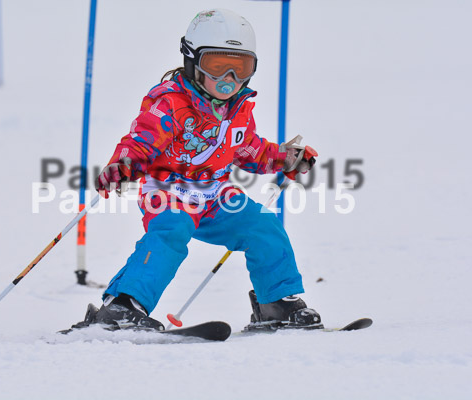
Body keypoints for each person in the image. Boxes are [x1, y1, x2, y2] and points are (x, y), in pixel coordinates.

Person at [72, 9, 321, 332]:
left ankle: (276, 303)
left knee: (263, 226)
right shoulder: (170, 103)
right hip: (169, 191)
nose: (229, 79)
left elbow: (246, 148)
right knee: (172, 230)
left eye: (241, 67)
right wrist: (124, 164)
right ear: (192, 61)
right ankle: (123, 305)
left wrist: (284, 158)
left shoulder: (239, 109)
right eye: (217, 66)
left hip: (216, 195)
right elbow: (142, 139)